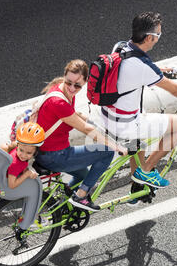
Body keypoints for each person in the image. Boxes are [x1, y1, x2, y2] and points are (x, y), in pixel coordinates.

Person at [100, 12, 177, 204]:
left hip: (108, 115)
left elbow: (135, 68)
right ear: (149, 37)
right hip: (125, 123)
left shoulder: (121, 47)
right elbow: (176, 90)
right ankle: (145, 172)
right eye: (158, 35)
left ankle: (136, 185)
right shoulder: (139, 66)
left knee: (139, 136)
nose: (158, 39)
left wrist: (159, 70)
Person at [35, 59, 127, 212]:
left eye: (77, 85)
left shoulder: (59, 89)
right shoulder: (59, 102)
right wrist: (116, 146)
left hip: (45, 152)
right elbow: (85, 129)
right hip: (56, 155)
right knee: (107, 152)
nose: (72, 88)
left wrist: (97, 122)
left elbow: (74, 114)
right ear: (65, 75)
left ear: (84, 83)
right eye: (69, 82)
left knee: (83, 174)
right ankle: (81, 196)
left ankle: (63, 206)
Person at [1, 122, 44, 189]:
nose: (23, 155)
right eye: (21, 150)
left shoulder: (15, 150)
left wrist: (26, 170)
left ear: (35, 152)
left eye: (29, 153)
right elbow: (11, 185)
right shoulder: (16, 164)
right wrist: (27, 173)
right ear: (18, 145)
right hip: (7, 189)